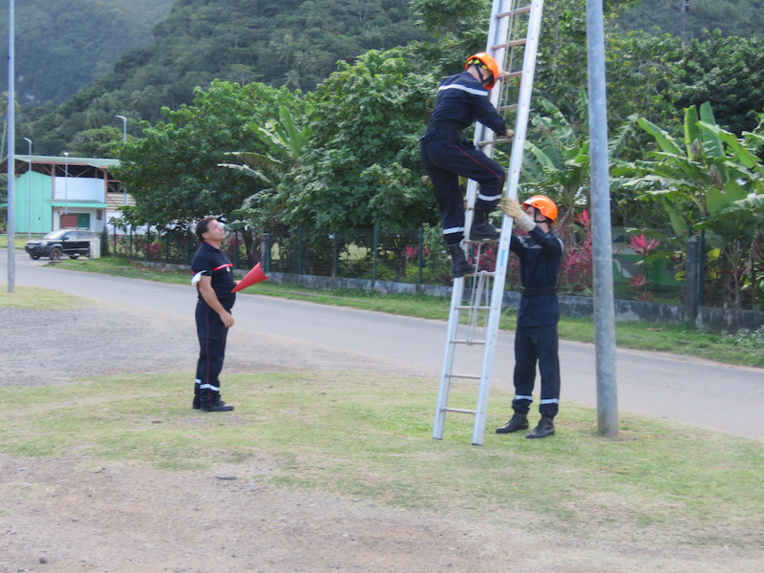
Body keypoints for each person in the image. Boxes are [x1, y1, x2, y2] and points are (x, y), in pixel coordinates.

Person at [420, 52, 515, 278]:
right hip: (445, 142)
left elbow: (469, 101)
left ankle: (458, 261)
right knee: (494, 175)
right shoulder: (473, 86)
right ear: (483, 72)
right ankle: (481, 223)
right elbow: (486, 112)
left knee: (451, 204)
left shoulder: (449, 82)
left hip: (428, 146)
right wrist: (503, 130)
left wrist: (497, 76)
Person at [495, 195, 563, 438]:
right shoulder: (526, 244)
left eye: (529, 211)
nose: (523, 214)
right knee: (522, 364)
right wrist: (477, 212)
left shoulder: (554, 243)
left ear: (542, 215)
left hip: (545, 306)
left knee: (548, 365)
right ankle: (520, 415)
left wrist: (522, 220)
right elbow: (502, 237)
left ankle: (547, 420)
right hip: (526, 306)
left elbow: (543, 239)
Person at [191, 217, 238, 412]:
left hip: (219, 310)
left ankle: (200, 399)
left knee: (209, 354)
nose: (221, 229)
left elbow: (221, 282)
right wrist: (222, 313)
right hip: (211, 313)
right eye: (216, 227)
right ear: (205, 235)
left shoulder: (219, 253)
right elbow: (205, 289)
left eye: (220, 226)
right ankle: (210, 401)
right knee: (213, 355)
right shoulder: (204, 255)